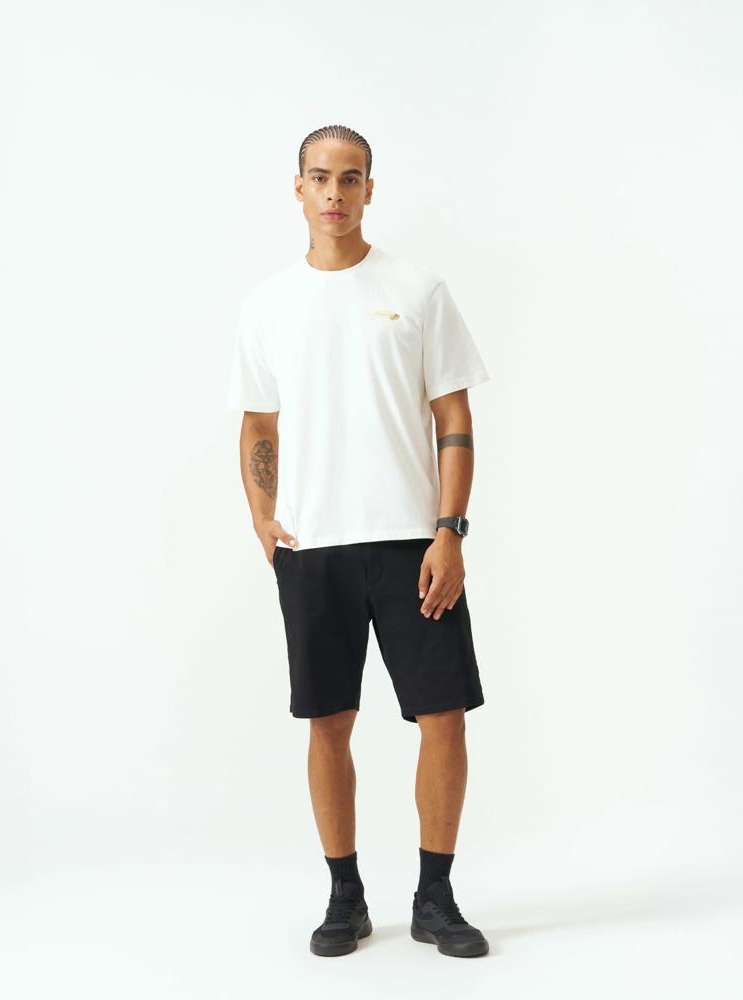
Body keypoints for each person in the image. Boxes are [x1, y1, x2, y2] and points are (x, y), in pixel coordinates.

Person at [226, 124, 491, 959]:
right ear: (298, 188)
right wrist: (262, 516)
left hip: (414, 544)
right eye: (320, 178)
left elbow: (454, 416)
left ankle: (436, 898)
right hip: (314, 549)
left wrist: (449, 532)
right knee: (328, 723)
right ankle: (345, 896)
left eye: (350, 179)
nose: (334, 193)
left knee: (443, 719)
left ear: (370, 189)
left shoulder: (417, 289)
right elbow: (258, 423)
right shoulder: (269, 305)